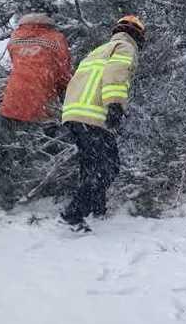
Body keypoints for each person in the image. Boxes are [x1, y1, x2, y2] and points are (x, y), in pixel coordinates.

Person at [60, 14, 145, 232]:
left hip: (74, 113)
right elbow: (115, 74)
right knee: (108, 167)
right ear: (137, 35)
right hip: (93, 114)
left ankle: (97, 209)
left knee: (91, 165)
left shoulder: (99, 49)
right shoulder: (125, 48)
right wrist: (115, 104)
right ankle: (74, 213)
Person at [0, 11, 72, 201]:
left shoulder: (16, 37)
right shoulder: (56, 38)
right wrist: (66, 93)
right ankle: (38, 185)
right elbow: (62, 72)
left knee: (2, 145)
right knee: (43, 145)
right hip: (41, 100)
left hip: (13, 99)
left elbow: (18, 63)